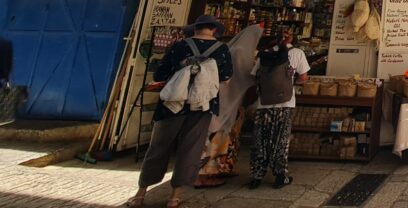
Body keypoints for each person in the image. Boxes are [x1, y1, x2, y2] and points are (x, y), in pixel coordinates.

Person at [128, 15, 233, 208]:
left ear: (195, 29)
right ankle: (175, 196)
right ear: (214, 30)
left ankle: (140, 193)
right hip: (202, 106)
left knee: (158, 147)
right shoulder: (222, 49)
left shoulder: (179, 46)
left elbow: (160, 74)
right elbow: (226, 77)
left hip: (172, 104)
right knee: (191, 149)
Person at [194, 24, 262, 188]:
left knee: (229, 136)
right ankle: (203, 175)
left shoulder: (235, 49)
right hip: (227, 100)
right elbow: (243, 76)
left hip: (231, 100)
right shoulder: (241, 52)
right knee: (216, 136)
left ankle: (223, 167)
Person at [248, 28, 309, 190]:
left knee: (260, 139)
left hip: (264, 103)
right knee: (281, 140)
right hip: (285, 103)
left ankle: (256, 176)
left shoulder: (264, 53)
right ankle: (280, 176)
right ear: (291, 38)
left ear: (275, 38)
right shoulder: (297, 53)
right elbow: (304, 78)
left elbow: (254, 76)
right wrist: (289, 81)